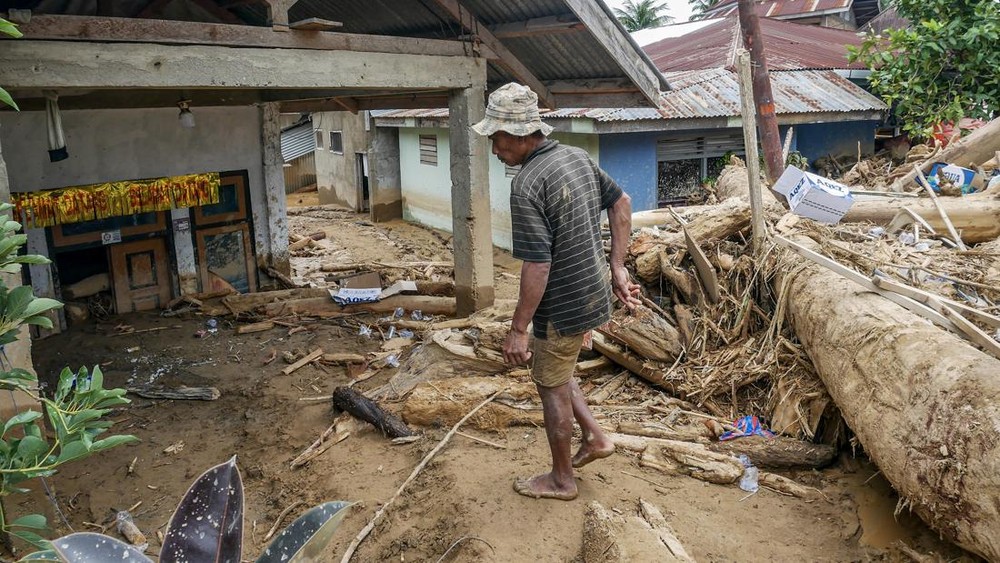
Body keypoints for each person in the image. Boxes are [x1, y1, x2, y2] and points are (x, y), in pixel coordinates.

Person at [471, 83, 641, 501]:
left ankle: (563, 480)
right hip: (592, 293)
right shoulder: (576, 157)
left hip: (561, 306)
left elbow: (538, 265)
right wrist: (616, 268)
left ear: (518, 133)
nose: (494, 150)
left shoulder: (528, 184)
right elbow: (623, 204)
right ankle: (597, 438)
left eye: (496, 139)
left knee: (550, 386)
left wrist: (518, 329)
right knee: (559, 370)